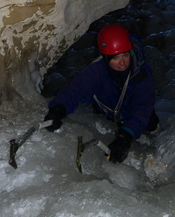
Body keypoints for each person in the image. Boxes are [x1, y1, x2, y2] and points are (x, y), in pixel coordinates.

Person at [44, 23, 159, 163]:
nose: (122, 63)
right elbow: (75, 91)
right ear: (105, 57)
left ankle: (154, 135)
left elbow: (142, 106)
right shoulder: (96, 71)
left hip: (134, 115)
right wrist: (59, 109)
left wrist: (126, 135)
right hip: (108, 113)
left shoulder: (141, 74)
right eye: (115, 58)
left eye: (125, 55)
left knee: (150, 123)